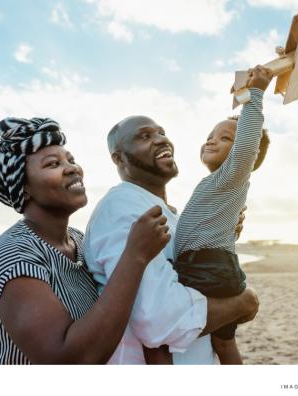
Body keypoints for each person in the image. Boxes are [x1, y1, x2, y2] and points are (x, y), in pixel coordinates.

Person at [0, 116, 171, 364]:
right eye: (52, 164)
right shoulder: (14, 255)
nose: (72, 168)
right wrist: (135, 256)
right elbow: (68, 359)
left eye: (71, 160)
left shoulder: (79, 240)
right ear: (22, 187)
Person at [83, 112, 260, 364]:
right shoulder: (124, 205)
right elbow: (158, 319)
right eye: (145, 136)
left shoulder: (172, 214)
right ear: (118, 157)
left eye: (162, 133)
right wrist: (242, 303)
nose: (160, 140)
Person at [145, 65, 273, 365]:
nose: (212, 140)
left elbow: (247, 144)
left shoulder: (233, 174)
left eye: (226, 138)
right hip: (212, 266)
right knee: (224, 342)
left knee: (163, 336)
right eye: (210, 135)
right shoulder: (217, 185)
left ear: (245, 153)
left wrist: (255, 96)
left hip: (209, 267)